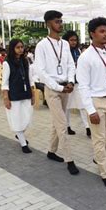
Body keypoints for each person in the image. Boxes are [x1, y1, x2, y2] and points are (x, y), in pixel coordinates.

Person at [77, 17, 106, 188]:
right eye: (101, 31)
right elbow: (83, 86)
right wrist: (90, 110)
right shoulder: (85, 57)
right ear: (92, 34)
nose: (105, 34)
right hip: (96, 102)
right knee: (99, 139)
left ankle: (99, 158)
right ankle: (104, 172)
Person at [34, 10, 79, 175]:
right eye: (57, 21)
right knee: (62, 125)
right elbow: (41, 72)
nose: (60, 24)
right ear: (48, 24)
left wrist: (71, 81)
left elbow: (70, 65)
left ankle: (51, 152)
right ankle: (70, 160)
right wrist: (59, 87)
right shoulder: (42, 45)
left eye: (61, 21)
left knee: (56, 122)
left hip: (66, 88)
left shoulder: (65, 44)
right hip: (52, 90)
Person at [2, 39, 35, 154]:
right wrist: (6, 98)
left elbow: (30, 78)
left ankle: (18, 133)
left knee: (27, 118)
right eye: (18, 47)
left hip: (26, 93)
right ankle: (23, 143)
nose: (21, 49)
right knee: (17, 119)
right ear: (12, 49)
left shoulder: (26, 61)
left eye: (22, 47)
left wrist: (33, 94)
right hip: (14, 95)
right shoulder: (7, 63)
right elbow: (5, 82)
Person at [62, 30, 91, 137]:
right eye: (71, 40)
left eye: (75, 40)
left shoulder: (78, 51)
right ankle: (67, 126)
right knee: (67, 107)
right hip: (67, 82)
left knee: (83, 105)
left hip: (78, 81)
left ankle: (87, 127)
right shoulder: (63, 52)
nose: (73, 42)